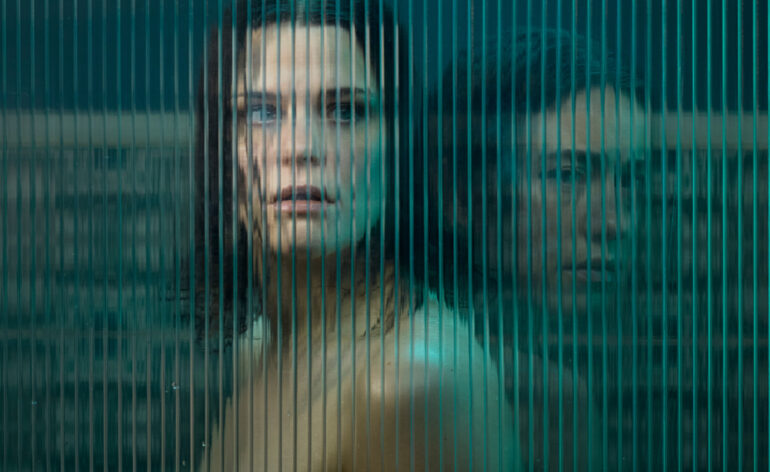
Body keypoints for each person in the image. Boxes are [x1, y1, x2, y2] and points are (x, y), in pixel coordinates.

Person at [191, 1, 514, 470]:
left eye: (345, 111)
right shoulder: (257, 346)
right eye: (261, 112)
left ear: (397, 145)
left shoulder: (412, 385)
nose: (301, 149)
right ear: (222, 149)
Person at [422, 28, 645, 470]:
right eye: (566, 174)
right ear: (459, 192)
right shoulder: (540, 400)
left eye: (629, 181)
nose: (615, 223)